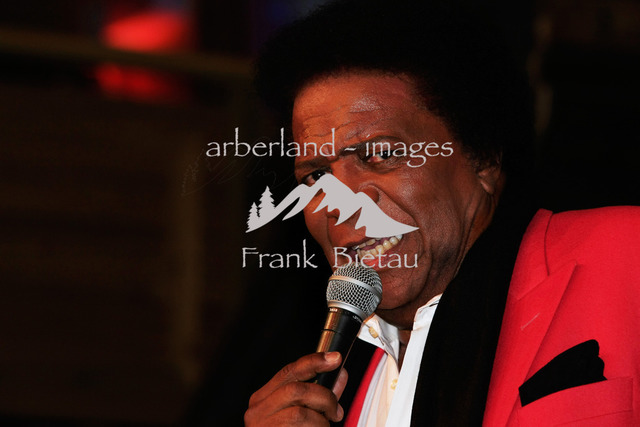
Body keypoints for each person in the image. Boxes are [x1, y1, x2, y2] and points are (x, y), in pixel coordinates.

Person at [244, 0, 640, 425]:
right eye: (316, 176)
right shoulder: (344, 389)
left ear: (481, 157)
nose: (340, 204)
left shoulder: (625, 255)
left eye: (380, 154)